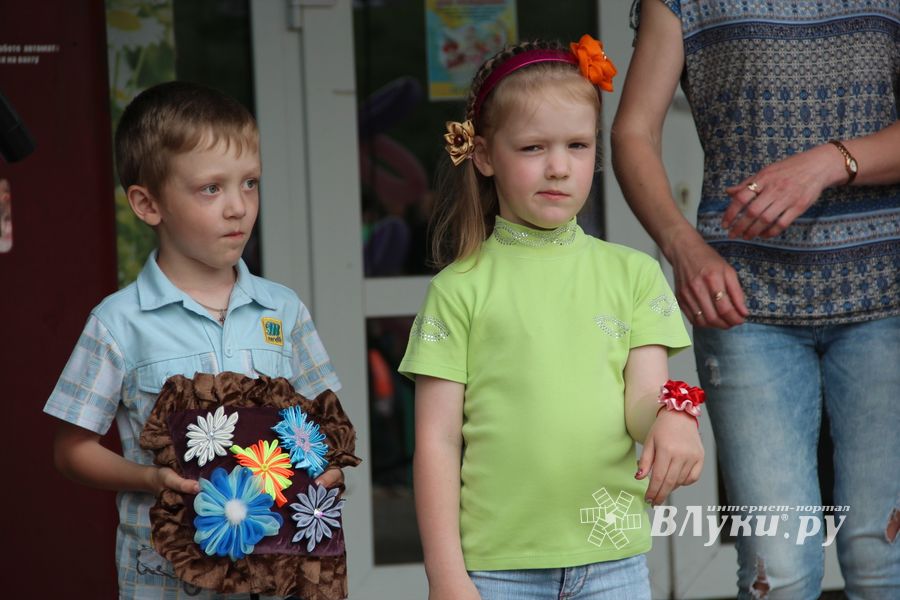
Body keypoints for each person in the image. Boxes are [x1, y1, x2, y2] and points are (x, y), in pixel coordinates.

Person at [611, 2, 900, 599]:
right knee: (780, 564)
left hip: (885, 295)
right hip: (743, 304)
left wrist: (830, 161)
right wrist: (680, 246)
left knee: (884, 559)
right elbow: (633, 132)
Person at [399, 36, 704, 600]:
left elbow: (644, 402)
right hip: (496, 570)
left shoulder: (634, 275)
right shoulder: (458, 290)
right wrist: (445, 574)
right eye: (533, 148)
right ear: (485, 155)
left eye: (578, 145)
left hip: (612, 561)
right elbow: (437, 442)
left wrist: (675, 416)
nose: (560, 167)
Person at [43, 82, 345, 600]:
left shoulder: (284, 309)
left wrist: (330, 470)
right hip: (164, 579)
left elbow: (323, 420)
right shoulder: (118, 322)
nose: (238, 207)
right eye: (212, 189)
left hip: (278, 574)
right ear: (147, 203)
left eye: (250, 183)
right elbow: (72, 451)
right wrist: (149, 478)